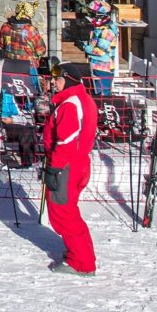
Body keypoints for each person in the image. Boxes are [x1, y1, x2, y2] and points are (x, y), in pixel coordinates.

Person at [41, 63, 99, 275]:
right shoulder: (80, 100)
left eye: (57, 79)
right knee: (68, 211)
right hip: (76, 163)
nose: (53, 83)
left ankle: (82, 263)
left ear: (69, 79)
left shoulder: (70, 104)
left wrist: (54, 169)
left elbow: (66, 141)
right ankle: (79, 254)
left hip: (66, 165)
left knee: (63, 214)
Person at [0, 4, 46, 92]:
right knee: (30, 92)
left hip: (9, 66)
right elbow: (41, 50)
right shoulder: (31, 30)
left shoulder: (5, 27)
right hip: (28, 68)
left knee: (10, 91)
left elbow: (1, 45)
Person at [80, 0, 118, 97]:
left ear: (100, 14)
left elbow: (100, 51)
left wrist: (84, 47)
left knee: (102, 96)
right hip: (96, 65)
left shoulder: (107, 30)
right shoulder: (99, 28)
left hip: (103, 67)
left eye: (93, 13)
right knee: (95, 93)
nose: (90, 16)